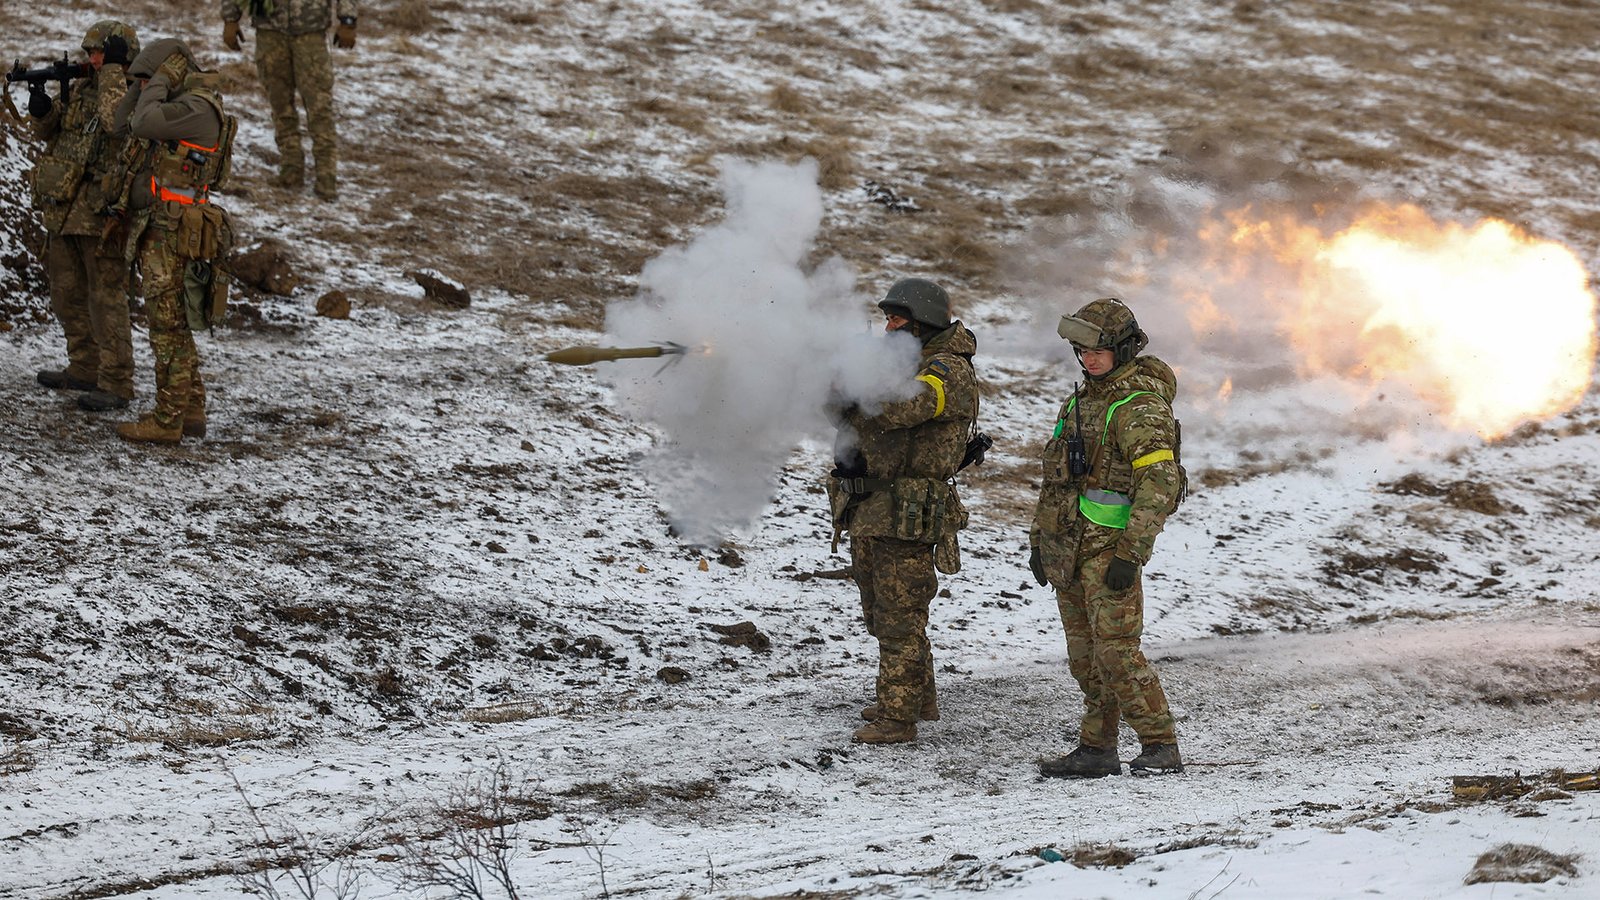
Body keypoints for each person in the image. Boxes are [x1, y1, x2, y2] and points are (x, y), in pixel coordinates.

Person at [1031, 297, 1186, 776]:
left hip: (1109, 552)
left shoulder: (1138, 406)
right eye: (1081, 351)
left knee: (1117, 654)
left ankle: (1161, 744)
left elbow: (1159, 485)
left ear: (1124, 348)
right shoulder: (1078, 402)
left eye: (1098, 350)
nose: (1088, 359)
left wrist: (1131, 552)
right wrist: (1040, 540)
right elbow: (1057, 481)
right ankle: (1097, 749)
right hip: (1068, 550)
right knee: (1086, 661)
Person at [827, 278, 979, 745]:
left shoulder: (946, 370)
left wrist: (861, 377)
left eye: (897, 320)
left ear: (923, 324)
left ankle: (898, 717)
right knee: (881, 613)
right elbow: (844, 414)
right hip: (872, 507)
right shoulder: (902, 364)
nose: (888, 327)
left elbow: (903, 406)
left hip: (906, 511)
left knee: (899, 617)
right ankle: (917, 696)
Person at [110, 39, 233, 443]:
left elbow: (143, 124)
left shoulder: (197, 109)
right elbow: (119, 122)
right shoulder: (176, 105)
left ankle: (167, 422)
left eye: (151, 80)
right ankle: (190, 412)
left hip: (176, 233)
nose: (146, 89)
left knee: (168, 329)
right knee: (173, 324)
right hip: (165, 228)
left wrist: (160, 78)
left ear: (174, 74)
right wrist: (141, 82)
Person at [28, 21, 141, 412]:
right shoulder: (84, 88)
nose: (92, 60)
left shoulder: (135, 90)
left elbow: (116, 125)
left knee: (105, 298)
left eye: (101, 54)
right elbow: (58, 136)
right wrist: (42, 113)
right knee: (66, 292)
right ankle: (83, 366)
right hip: (66, 207)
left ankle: (117, 381)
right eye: (90, 53)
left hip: (103, 211)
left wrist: (113, 71)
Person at [221, 0, 356, 200]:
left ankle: (326, 177)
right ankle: (291, 170)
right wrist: (230, 18)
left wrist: (347, 19)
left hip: (310, 34)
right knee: (280, 105)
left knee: (320, 108)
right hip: (270, 31)